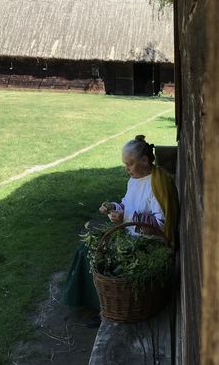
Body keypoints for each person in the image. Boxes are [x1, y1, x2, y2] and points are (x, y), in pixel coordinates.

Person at [61, 135, 179, 327]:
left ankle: (106, 312)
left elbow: (160, 226)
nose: (126, 169)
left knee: (100, 260)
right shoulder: (134, 180)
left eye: (130, 164)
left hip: (148, 244)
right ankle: (94, 301)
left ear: (144, 160)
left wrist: (126, 216)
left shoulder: (157, 185)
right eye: (125, 164)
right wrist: (114, 207)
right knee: (85, 251)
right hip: (130, 235)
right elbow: (127, 204)